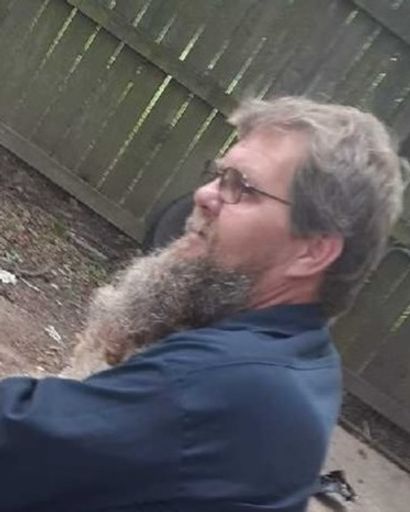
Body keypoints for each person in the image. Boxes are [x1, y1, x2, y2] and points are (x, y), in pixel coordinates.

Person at [0, 97, 404, 512]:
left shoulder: (220, 384)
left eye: (242, 187)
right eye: (219, 175)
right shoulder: (306, 360)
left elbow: (15, 442)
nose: (205, 194)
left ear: (312, 252)